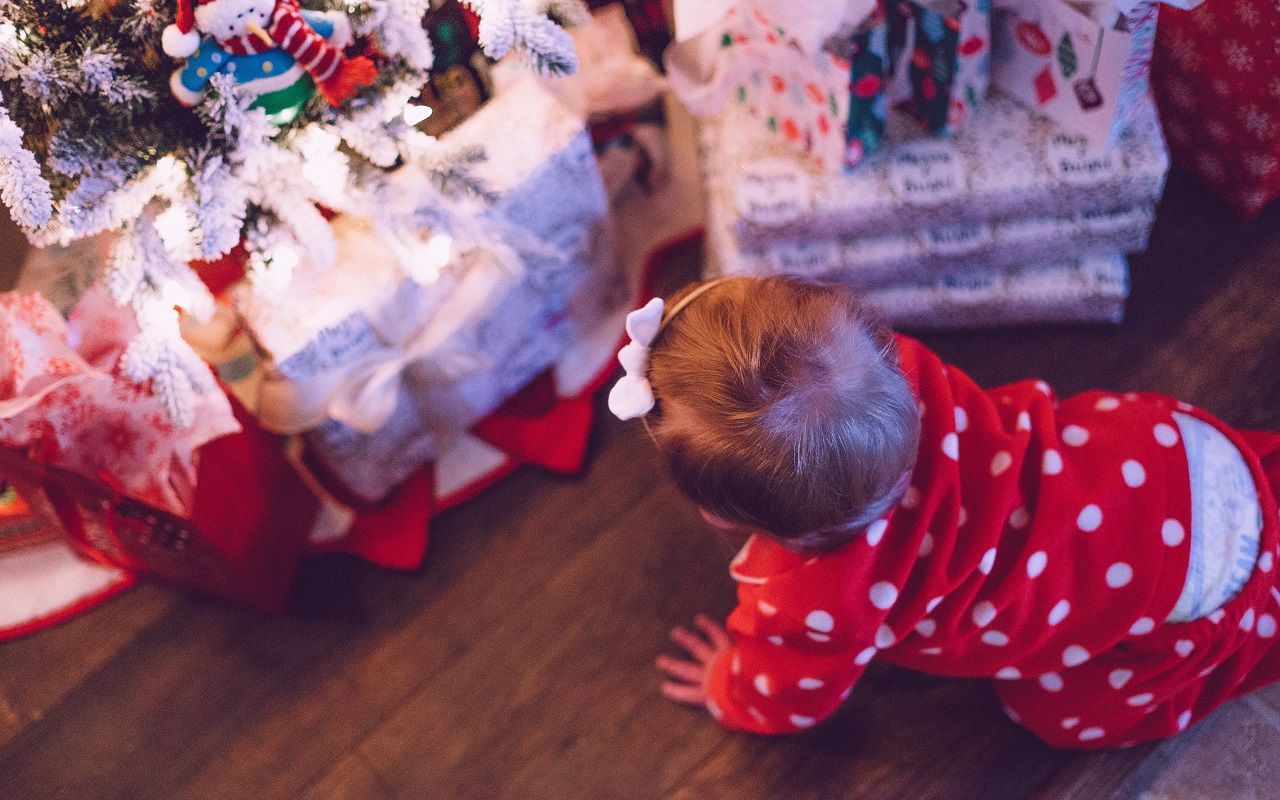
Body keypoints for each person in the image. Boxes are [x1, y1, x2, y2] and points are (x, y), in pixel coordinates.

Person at [609, 274, 1280, 748]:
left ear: (717, 515)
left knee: (1046, 713)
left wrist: (730, 686)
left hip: (1185, 594)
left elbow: (786, 693)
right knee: (1075, 462)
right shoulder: (901, 373)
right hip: (1172, 451)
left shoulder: (811, 601)